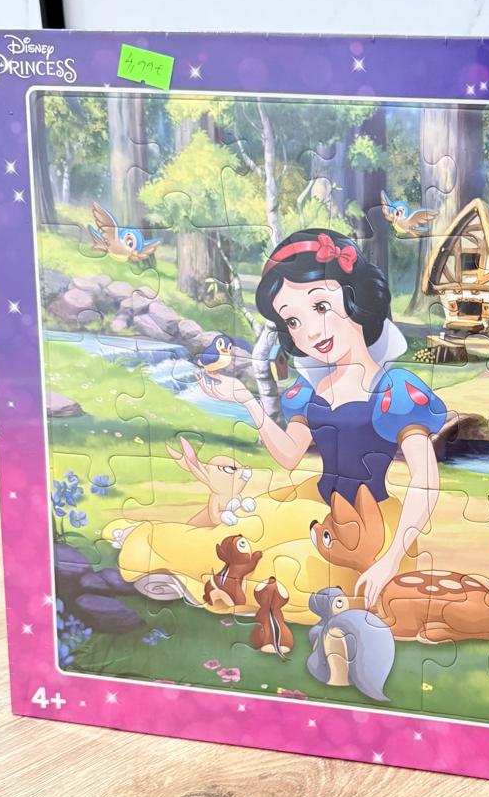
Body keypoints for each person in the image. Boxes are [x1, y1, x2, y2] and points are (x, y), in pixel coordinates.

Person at [113, 230, 446, 619]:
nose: (311, 331)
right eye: (293, 320)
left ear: (356, 299)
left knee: (288, 567)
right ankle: (155, 547)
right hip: (313, 504)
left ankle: (170, 562)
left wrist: (391, 559)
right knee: (242, 531)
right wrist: (246, 400)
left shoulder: (394, 389)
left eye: (320, 306)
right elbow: (289, 456)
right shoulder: (310, 389)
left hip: (370, 528)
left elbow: (426, 482)